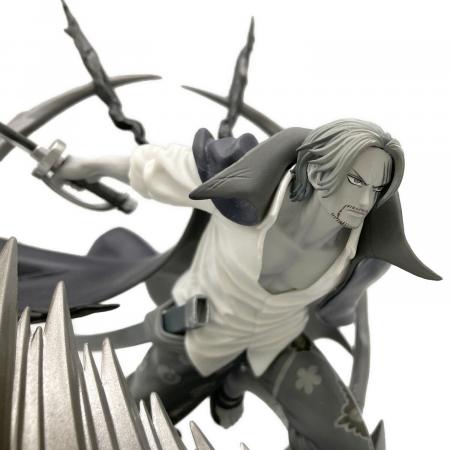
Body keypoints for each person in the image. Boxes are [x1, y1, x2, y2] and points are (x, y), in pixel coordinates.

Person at [55, 118, 439, 450]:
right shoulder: (243, 190)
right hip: (197, 338)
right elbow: (156, 168)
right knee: (107, 433)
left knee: (348, 445)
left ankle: (234, 384)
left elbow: (340, 310)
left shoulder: (364, 252)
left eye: (377, 188)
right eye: (355, 180)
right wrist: (84, 165)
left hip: (278, 344)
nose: (365, 200)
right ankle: (226, 385)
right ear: (317, 171)